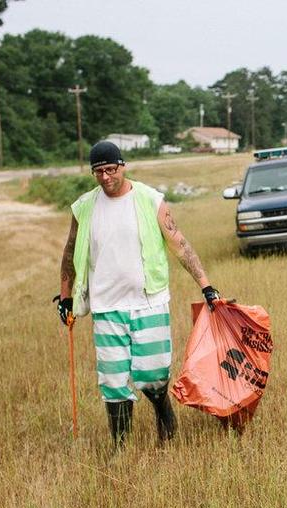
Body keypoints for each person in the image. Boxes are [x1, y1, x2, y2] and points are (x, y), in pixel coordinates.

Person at [55, 141, 222, 447]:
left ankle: (161, 409)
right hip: (107, 307)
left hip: (149, 302)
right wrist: (65, 296)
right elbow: (70, 252)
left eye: (111, 170)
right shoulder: (83, 208)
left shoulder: (149, 200)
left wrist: (206, 285)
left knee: (153, 374)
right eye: (98, 172)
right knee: (113, 381)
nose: (106, 177)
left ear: (123, 166)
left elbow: (180, 244)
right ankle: (121, 446)